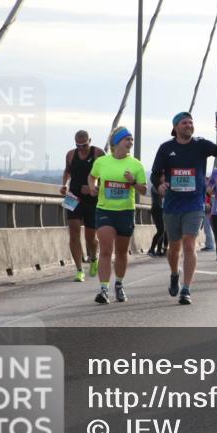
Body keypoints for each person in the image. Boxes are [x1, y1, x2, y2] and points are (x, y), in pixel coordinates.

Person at [151, 111, 217, 305]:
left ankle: (186, 289)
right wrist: (159, 184)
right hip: (171, 205)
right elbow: (155, 173)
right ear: (176, 127)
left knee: (189, 244)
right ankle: (173, 273)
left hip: (194, 204)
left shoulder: (201, 145)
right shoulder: (166, 148)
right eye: (184, 123)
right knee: (173, 248)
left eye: (191, 122)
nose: (189, 125)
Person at [86, 127, 147, 304]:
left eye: (132, 140)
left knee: (121, 252)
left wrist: (133, 182)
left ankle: (119, 285)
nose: (130, 142)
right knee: (105, 250)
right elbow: (92, 177)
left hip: (126, 212)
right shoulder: (102, 162)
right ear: (116, 143)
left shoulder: (136, 164)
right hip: (105, 210)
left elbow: (143, 190)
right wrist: (92, 186)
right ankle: (103, 289)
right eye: (127, 139)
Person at [59, 130, 104, 282]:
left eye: (84, 145)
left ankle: (93, 258)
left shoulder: (98, 153)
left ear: (89, 141)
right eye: (78, 145)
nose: (81, 148)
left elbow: (105, 175)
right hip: (73, 196)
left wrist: (95, 189)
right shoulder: (71, 154)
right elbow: (67, 171)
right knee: (73, 233)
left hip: (91, 199)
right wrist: (64, 185)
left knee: (90, 237)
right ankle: (79, 270)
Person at [147, 184, 167, 257]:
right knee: (161, 230)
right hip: (156, 208)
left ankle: (159, 250)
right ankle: (151, 249)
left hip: (161, 209)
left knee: (163, 230)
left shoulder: (163, 185)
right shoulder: (155, 186)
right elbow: (162, 193)